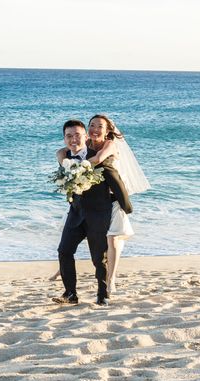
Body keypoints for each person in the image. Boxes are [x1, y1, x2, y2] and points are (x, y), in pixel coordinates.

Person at [54, 115, 150, 293]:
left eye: (100, 126)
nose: (95, 129)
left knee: (108, 245)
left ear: (107, 131)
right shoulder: (78, 146)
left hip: (110, 201)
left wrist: (76, 168)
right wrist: (64, 159)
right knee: (66, 248)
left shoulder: (108, 147)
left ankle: (108, 284)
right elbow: (68, 147)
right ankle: (69, 289)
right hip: (81, 207)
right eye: (92, 125)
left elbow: (101, 163)